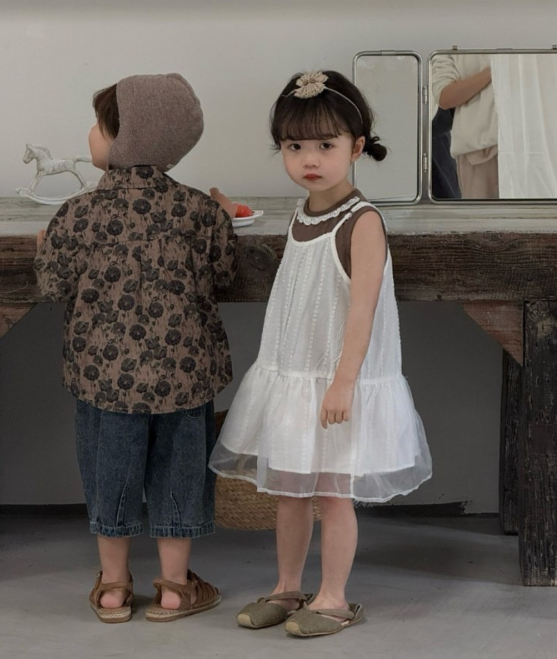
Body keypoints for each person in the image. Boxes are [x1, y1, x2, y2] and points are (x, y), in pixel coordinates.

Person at [210, 70, 432, 639]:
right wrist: (227, 208)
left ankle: (333, 597)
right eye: (294, 147)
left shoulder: (363, 222)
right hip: (293, 378)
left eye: (325, 146)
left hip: (335, 385)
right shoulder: (303, 213)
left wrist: (344, 381)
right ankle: (288, 587)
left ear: (356, 148)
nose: (309, 159)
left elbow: (362, 310)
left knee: (332, 495)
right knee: (289, 493)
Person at [34, 74, 237, 624]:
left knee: (110, 474)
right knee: (180, 475)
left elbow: (52, 284)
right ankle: (174, 589)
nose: (90, 134)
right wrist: (223, 213)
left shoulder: (77, 213)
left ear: (126, 139)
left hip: (105, 379)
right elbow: (224, 274)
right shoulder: (199, 211)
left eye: (99, 126)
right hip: (183, 376)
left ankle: (114, 588)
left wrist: (43, 248)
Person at [431, 53, 498, 199]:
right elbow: (444, 96)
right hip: (478, 148)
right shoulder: (448, 46)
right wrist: (492, 71)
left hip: (531, 142)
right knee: (482, 214)